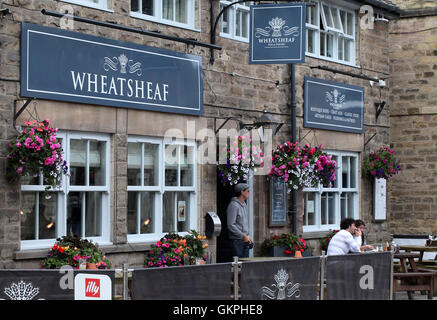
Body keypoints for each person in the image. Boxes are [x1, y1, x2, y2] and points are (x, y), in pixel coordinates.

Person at [227, 183, 252, 258]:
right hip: (236, 241)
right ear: (242, 192)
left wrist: (247, 236)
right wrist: (243, 235)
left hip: (244, 240)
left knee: (245, 265)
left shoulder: (244, 204)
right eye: (248, 191)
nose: (249, 193)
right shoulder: (233, 205)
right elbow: (231, 225)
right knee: (238, 266)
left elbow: (243, 223)